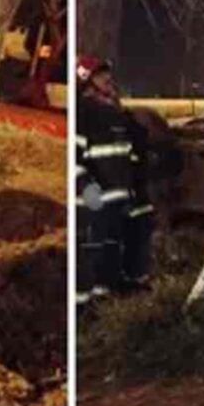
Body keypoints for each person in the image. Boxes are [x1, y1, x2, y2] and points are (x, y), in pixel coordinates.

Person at [75, 56, 154, 305]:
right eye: (100, 75)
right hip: (96, 201)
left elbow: (133, 148)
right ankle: (84, 308)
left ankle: (110, 298)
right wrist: (87, 190)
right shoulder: (84, 112)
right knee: (93, 255)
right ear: (87, 83)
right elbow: (74, 157)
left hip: (120, 198)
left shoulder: (115, 114)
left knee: (113, 251)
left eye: (108, 74)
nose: (108, 79)